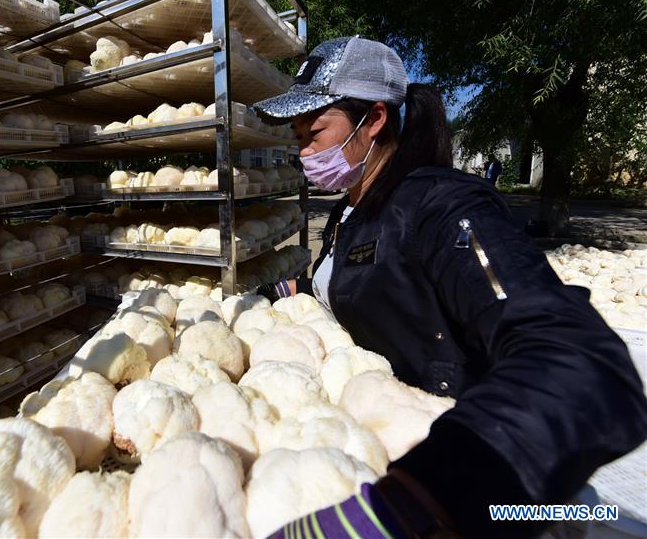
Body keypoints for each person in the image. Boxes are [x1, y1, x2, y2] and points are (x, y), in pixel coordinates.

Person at [251, 36, 646, 538]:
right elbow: (338, 283)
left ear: (373, 119)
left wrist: (415, 501)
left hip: (476, 494)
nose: (302, 150)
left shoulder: (443, 209)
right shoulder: (351, 210)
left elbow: (584, 368)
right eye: (297, 136)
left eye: (315, 132)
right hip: (378, 445)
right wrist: (266, 298)